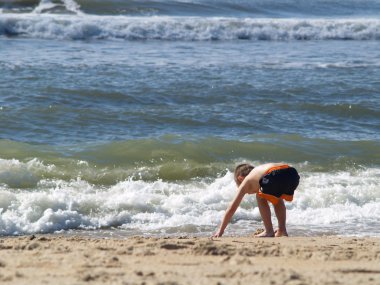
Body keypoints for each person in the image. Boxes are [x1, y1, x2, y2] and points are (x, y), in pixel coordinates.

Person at [212, 163, 300, 238]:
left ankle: (269, 231)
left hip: (275, 174)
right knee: (277, 198)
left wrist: (221, 230)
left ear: (240, 178)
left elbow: (232, 208)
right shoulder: (257, 173)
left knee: (260, 196)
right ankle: (282, 230)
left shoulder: (246, 181)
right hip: (292, 173)